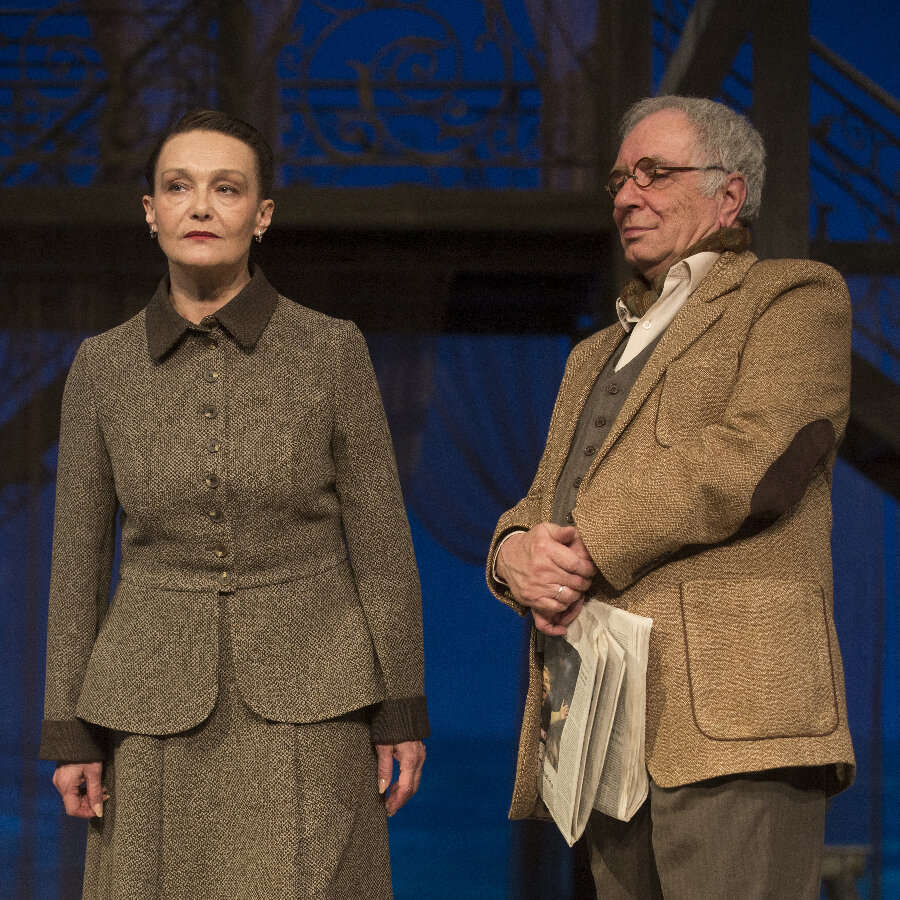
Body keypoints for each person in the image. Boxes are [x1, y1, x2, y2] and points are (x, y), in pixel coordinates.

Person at [39, 110, 427, 900]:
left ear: (262, 214)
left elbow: (384, 549)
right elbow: (77, 562)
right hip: (148, 709)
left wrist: (401, 710)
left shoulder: (330, 350)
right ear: (150, 211)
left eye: (227, 188)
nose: (201, 207)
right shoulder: (102, 367)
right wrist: (68, 729)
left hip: (314, 699)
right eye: (178, 187)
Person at [486, 95, 855, 899]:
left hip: (736, 714)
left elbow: (758, 457)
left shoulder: (791, 296)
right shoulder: (593, 353)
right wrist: (513, 552)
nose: (627, 195)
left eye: (654, 173)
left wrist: (587, 538)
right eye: (620, 178)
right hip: (603, 718)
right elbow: (544, 497)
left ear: (730, 194)